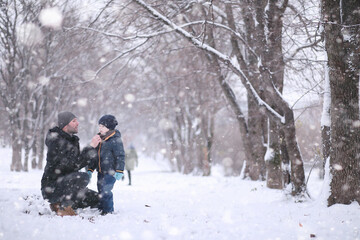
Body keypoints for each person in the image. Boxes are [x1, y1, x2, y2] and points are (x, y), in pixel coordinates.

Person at [41, 111, 102, 216]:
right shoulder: (56, 142)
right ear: (65, 125)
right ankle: (62, 207)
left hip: (68, 186)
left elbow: (77, 162)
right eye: (74, 121)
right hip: (53, 188)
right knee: (83, 177)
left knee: (99, 199)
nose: (77, 123)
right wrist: (90, 147)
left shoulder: (73, 141)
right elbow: (73, 165)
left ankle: (64, 203)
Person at [87, 114, 125, 215]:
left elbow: (120, 156)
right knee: (100, 190)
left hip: (110, 171)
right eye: (99, 126)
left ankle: (108, 211)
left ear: (109, 127)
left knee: (106, 190)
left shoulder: (114, 139)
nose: (100, 128)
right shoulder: (99, 139)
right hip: (100, 171)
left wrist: (119, 170)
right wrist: (90, 169)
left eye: (103, 126)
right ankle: (102, 207)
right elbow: (94, 156)